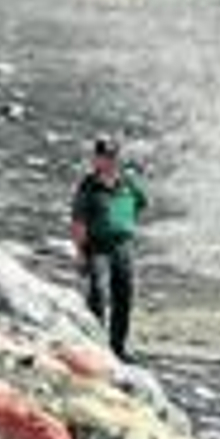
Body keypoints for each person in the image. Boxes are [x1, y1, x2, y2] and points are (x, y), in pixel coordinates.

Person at [70, 137, 148, 358]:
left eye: (112, 157)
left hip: (122, 246)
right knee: (98, 293)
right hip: (97, 246)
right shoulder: (88, 186)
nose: (109, 161)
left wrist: (124, 222)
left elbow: (140, 203)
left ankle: (118, 347)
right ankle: (96, 344)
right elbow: (78, 221)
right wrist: (80, 252)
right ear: (96, 159)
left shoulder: (128, 183)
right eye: (104, 157)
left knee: (124, 295)